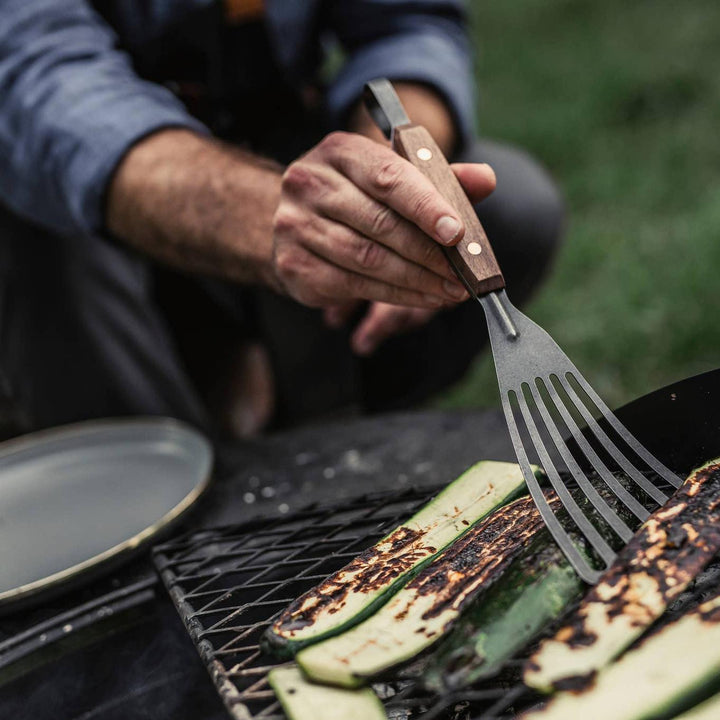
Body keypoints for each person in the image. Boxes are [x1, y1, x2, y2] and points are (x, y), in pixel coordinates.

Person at [0, 0, 564, 438]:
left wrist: (385, 182)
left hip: (276, 130)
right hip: (93, 201)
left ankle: (315, 443)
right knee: (41, 250)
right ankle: (149, 502)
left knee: (511, 206)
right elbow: (41, 85)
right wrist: (268, 213)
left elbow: (406, 24)